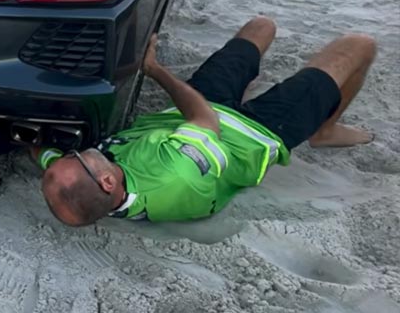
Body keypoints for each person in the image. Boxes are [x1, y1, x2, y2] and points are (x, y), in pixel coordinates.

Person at [35, 16, 377, 225]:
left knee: (261, 27)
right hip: (253, 135)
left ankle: (245, 84)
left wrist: (29, 143)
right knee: (359, 45)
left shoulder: (86, 187)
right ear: (108, 183)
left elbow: (47, 157)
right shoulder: (174, 175)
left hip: (187, 118)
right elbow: (205, 119)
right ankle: (325, 130)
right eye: (77, 157)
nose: (75, 152)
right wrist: (153, 70)